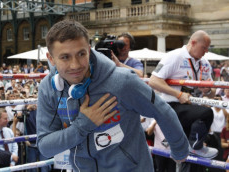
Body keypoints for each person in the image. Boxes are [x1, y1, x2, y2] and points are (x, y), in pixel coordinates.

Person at [36, 19, 189, 172]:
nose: (75, 65)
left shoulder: (122, 81)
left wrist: (180, 150)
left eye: (81, 54)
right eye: (65, 57)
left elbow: (162, 111)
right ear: (51, 58)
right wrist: (83, 125)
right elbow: (45, 146)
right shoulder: (48, 88)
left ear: (89, 50)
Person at [149, 30, 218, 171]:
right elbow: (153, 81)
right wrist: (178, 94)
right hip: (172, 106)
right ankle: (195, 147)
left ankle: (191, 147)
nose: (205, 52)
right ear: (193, 43)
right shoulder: (174, 56)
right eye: (203, 48)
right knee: (207, 113)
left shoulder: (204, 63)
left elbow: (213, 92)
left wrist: (208, 90)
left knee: (189, 161)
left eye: (207, 49)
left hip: (192, 110)